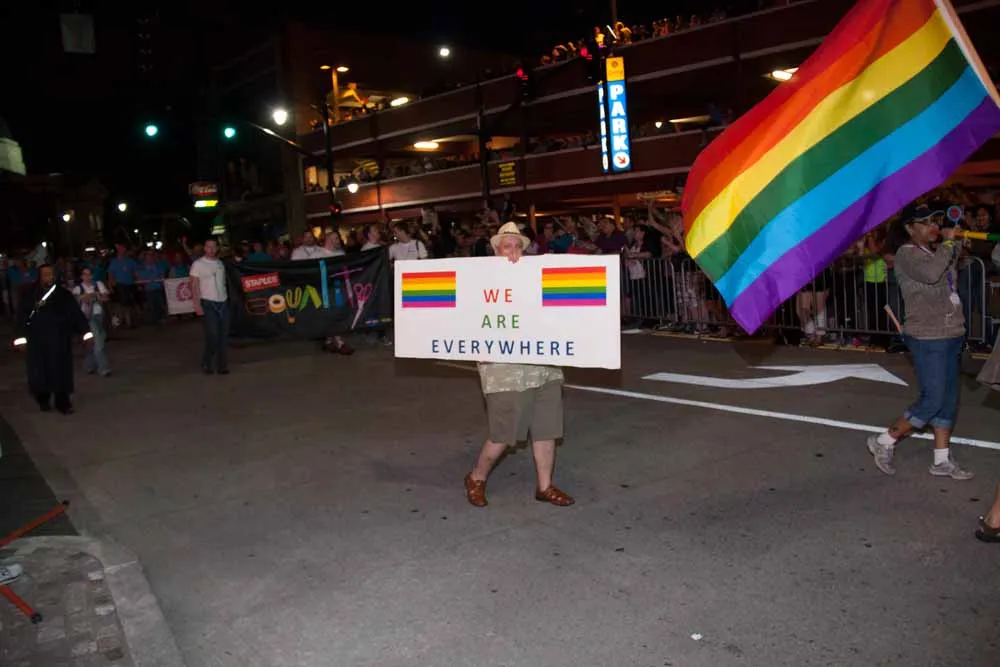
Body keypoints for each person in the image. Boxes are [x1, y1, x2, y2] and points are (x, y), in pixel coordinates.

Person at [464, 222, 574, 508]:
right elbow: (467, 319)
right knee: (504, 432)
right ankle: (476, 477)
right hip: (505, 370)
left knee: (546, 428)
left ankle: (545, 486)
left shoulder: (536, 279)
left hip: (542, 366)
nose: (513, 251)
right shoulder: (480, 282)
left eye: (517, 246)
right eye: (507, 246)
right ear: (496, 251)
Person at [866, 204, 972, 480]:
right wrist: (949, 243)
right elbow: (931, 274)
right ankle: (883, 440)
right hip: (927, 336)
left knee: (948, 399)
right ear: (909, 228)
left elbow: (946, 280)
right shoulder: (906, 254)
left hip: (951, 332)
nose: (932, 226)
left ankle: (941, 460)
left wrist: (956, 246)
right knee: (932, 399)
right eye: (924, 222)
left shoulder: (934, 252)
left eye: (934, 221)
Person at [13, 264, 92, 414]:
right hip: (37, 341)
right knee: (40, 372)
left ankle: (63, 402)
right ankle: (43, 399)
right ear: (40, 276)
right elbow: (21, 317)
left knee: (60, 372)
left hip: (59, 340)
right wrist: (20, 339)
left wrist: (86, 333)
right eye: (46, 274)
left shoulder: (64, 295)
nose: (49, 277)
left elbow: (76, 314)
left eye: (51, 274)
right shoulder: (30, 295)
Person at [189, 239, 230, 374]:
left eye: (214, 247)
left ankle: (222, 365)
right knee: (213, 335)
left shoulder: (220, 263)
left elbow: (223, 282)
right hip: (208, 303)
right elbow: (193, 285)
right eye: (208, 247)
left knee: (223, 335)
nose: (211, 249)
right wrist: (197, 304)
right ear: (205, 248)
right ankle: (207, 362)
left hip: (223, 302)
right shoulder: (198, 264)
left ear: (217, 248)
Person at [73, 267, 112, 376]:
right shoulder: (78, 288)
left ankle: (89, 365)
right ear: (81, 276)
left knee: (96, 341)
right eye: (85, 274)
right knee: (98, 342)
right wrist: (89, 297)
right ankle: (103, 368)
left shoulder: (98, 284)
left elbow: (106, 297)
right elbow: (76, 300)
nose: (87, 277)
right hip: (87, 318)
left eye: (89, 274)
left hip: (99, 315)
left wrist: (94, 296)